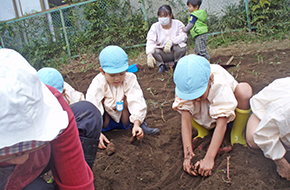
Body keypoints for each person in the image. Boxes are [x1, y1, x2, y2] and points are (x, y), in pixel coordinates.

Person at [0, 48, 95, 189]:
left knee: (87, 112)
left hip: (42, 159)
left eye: (28, 147)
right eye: (13, 152)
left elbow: (76, 179)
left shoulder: (53, 103)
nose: (23, 159)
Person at [172, 54, 252, 177]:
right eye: (192, 97)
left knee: (244, 90)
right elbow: (185, 121)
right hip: (205, 114)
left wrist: (209, 158)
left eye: (199, 95)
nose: (196, 99)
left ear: (210, 79)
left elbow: (222, 123)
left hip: (229, 113)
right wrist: (187, 155)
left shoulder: (218, 82)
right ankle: (203, 130)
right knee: (184, 107)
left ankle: (236, 134)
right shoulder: (185, 85)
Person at [86, 45, 160, 150]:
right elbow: (92, 105)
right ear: (102, 71)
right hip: (106, 121)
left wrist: (137, 123)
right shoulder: (98, 82)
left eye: (121, 73)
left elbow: (136, 99)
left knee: (129, 99)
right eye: (112, 75)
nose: (117, 78)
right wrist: (95, 132)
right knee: (99, 103)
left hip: (124, 117)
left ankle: (140, 126)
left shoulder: (130, 78)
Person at [246, 77, 290, 181]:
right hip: (266, 109)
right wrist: (282, 164)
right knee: (253, 140)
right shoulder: (284, 112)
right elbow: (263, 134)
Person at [146, 4, 187, 73]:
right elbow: (150, 40)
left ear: (171, 15)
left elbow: (183, 36)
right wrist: (149, 54)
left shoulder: (178, 24)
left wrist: (172, 41)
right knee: (154, 51)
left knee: (182, 47)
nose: (163, 18)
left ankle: (177, 63)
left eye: (165, 16)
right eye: (160, 16)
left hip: (175, 52)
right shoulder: (155, 27)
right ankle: (161, 65)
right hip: (162, 53)